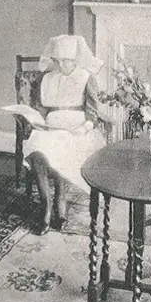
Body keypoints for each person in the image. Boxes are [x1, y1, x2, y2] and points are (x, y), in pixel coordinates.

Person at [24, 35, 106, 235]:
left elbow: (93, 112)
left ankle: (60, 199)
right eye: (57, 61)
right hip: (50, 126)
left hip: (76, 128)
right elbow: (40, 107)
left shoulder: (86, 78)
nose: (61, 65)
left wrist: (84, 127)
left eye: (66, 61)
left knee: (61, 147)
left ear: (75, 60)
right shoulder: (48, 78)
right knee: (36, 149)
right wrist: (36, 120)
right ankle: (46, 205)